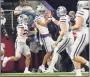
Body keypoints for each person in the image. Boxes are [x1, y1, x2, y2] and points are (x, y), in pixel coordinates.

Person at [45, 6, 74, 73]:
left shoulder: (63, 18)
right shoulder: (66, 16)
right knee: (71, 53)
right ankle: (77, 68)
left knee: (56, 51)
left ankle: (51, 68)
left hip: (67, 38)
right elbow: (59, 23)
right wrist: (51, 18)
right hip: (70, 37)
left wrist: (57, 41)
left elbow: (63, 31)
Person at [70, 0, 89, 76]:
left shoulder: (81, 11)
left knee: (73, 55)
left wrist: (69, 28)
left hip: (83, 33)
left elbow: (77, 26)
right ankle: (78, 72)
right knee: (76, 53)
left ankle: (88, 64)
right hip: (86, 32)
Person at [34, 5, 55, 72]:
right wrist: (48, 20)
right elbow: (44, 24)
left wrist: (48, 16)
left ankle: (51, 66)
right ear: (38, 12)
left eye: (43, 11)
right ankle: (42, 65)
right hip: (44, 37)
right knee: (49, 51)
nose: (43, 12)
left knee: (55, 49)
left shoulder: (41, 17)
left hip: (48, 35)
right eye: (41, 11)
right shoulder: (37, 19)